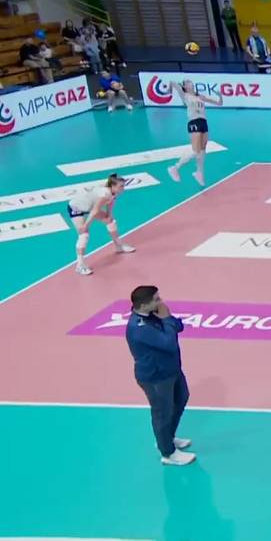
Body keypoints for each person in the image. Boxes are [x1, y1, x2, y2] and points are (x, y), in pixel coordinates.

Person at [126, 285, 194, 466]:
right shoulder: (139, 327)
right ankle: (168, 453)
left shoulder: (153, 315)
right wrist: (166, 319)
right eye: (156, 299)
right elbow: (168, 343)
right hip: (156, 378)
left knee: (181, 398)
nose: (161, 301)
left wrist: (167, 319)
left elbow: (179, 326)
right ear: (143, 305)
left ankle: (167, 438)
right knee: (162, 412)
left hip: (171, 370)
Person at [67, 173, 135, 276]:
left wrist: (109, 214)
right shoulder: (104, 194)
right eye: (121, 186)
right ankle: (80, 265)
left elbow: (111, 202)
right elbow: (94, 211)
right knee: (84, 234)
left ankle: (119, 246)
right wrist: (86, 225)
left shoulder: (114, 191)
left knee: (110, 221)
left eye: (123, 186)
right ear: (113, 186)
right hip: (76, 208)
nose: (123, 188)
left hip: (89, 207)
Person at [168, 80, 223, 186]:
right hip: (194, 122)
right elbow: (172, 82)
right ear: (185, 86)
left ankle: (199, 173)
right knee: (196, 151)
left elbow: (219, 103)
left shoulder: (200, 96)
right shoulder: (185, 95)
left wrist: (220, 95)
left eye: (190, 81)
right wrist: (169, 90)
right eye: (187, 82)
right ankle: (175, 168)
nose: (190, 82)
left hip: (203, 122)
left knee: (203, 150)